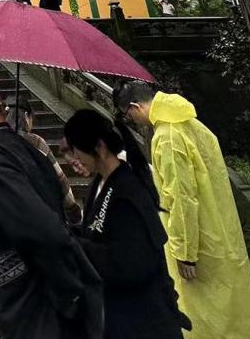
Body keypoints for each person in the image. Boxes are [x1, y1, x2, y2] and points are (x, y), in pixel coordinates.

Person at [0, 65, 103, 339]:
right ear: (0, 103)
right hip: (42, 299)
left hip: (30, 306)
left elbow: (45, 230)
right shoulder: (29, 149)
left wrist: (70, 293)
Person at [115, 81, 250, 339]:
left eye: (128, 115)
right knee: (235, 311)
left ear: (134, 107)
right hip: (219, 227)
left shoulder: (167, 137)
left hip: (197, 240)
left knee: (205, 314)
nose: (132, 120)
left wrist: (184, 251)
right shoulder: (191, 123)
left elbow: (181, 198)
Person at [62, 110, 186, 339]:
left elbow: (130, 262)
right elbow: (95, 232)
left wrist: (74, 244)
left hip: (142, 319)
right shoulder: (99, 183)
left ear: (99, 147)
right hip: (117, 314)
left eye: (76, 151)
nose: (74, 160)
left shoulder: (128, 191)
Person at [8, 100, 81, 225]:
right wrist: (72, 208)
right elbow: (59, 177)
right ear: (26, 116)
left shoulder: (0, 142)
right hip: (40, 209)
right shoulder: (36, 142)